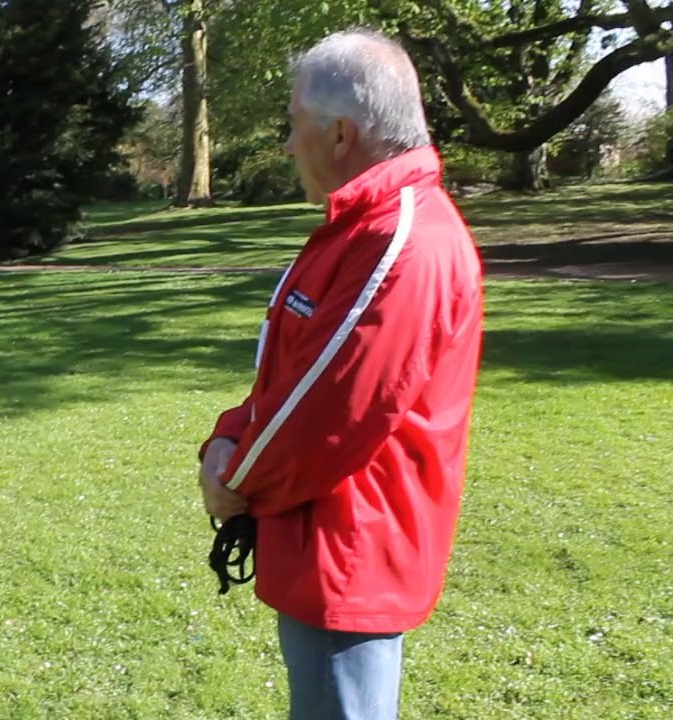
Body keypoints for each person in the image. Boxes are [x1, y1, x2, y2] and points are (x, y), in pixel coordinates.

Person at [197, 30, 484, 719]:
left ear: (340, 134)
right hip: (325, 535)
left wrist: (230, 479)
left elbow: (328, 412)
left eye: (295, 125)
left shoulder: (400, 240)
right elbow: (291, 372)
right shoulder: (362, 226)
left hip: (351, 546)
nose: (289, 146)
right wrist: (227, 435)